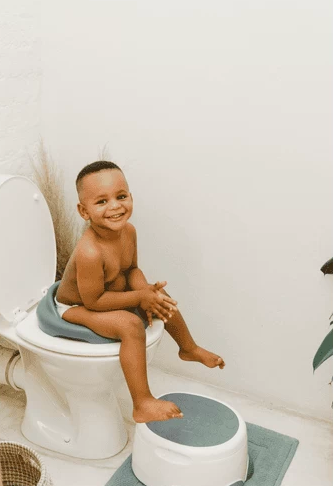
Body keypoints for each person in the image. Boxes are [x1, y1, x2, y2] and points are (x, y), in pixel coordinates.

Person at [56, 161, 225, 423]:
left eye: (121, 196)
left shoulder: (129, 232)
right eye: (102, 201)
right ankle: (142, 402)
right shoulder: (89, 252)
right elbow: (94, 301)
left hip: (105, 295)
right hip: (75, 308)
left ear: (131, 197)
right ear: (83, 211)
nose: (115, 206)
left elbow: (131, 270)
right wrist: (138, 298)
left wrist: (147, 292)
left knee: (161, 299)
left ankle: (188, 348)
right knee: (131, 325)